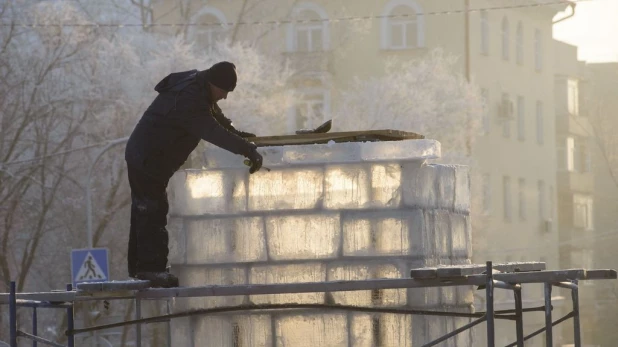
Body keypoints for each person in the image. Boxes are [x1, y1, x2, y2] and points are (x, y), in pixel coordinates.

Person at [124, 61, 263, 288]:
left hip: (148, 156)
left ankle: (143, 266)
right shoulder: (189, 100)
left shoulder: (196, 86)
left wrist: (237, 135)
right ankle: (150, 269)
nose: (225, 97)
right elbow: (210, 129)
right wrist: (245, 148)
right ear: (214, 84)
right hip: (148, 158)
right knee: (152, 210)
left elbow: (214, 116)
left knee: (146, 209)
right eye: (224, 91)